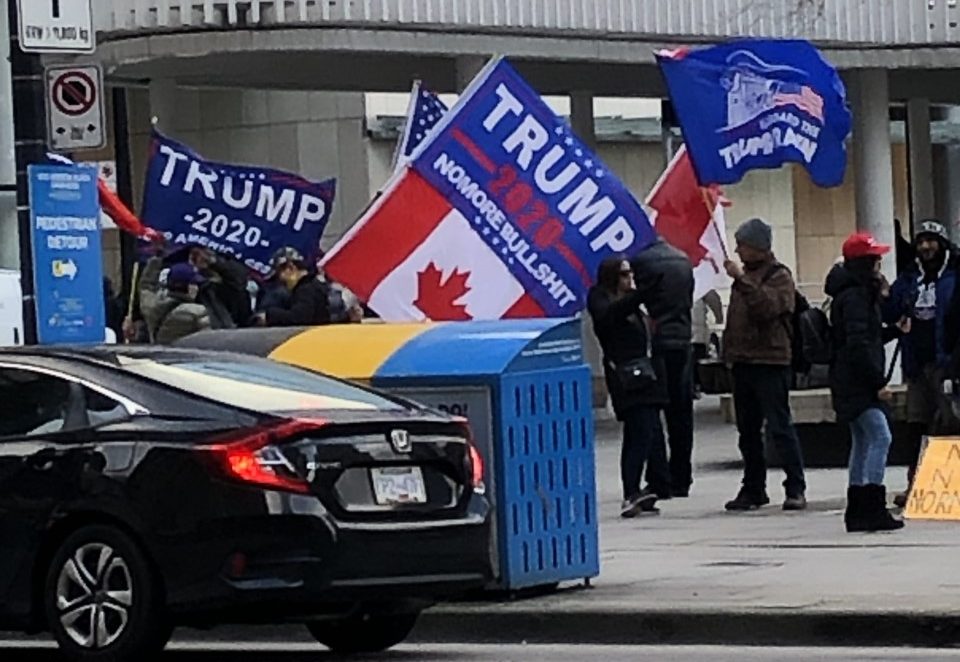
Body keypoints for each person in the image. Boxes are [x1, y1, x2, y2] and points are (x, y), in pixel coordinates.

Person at [722, 217, 808, 511]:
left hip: (770, 361)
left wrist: (741, 280)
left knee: (780, 426)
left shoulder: (778, 276)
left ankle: (795, 486)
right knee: (747, 431)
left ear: (758, 246)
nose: (738, 251)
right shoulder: (745, 279)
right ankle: (753, 487)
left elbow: (767, 308)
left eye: (742, 245)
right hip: (743, 362)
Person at [827, 232, 905, 532]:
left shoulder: (851, 294)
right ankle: (872, 505)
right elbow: (858, 345)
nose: (878, 266)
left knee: (862, 441)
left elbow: (865, 337)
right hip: (857, 382)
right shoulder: (856, 297)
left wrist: (894, 330)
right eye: (874, 261)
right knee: (880, 437)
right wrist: (877, 382)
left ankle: (857, 508)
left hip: (849, 380)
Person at [588, 256, 670, 517]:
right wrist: (640, 294)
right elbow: (610, 316)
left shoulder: (634, 304)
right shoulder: (601, 299)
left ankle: (654, 484)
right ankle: (630, 490)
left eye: (630, 274)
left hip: (646, 373)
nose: (629, 279)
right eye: (624, 274)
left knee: (652, 432)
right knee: (638, 432)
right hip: (625, 375)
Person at [884, 220, 959, 506]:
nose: (926, 247)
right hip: (917, 364)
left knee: (951, 423)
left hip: (947, 363)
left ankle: (951, 483)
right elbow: (890, 311)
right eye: (921, 242)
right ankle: (915, 483)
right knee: (916, 425)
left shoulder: (954, 275)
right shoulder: (909, 277)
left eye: (932, 241)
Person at [631, 237, 695, 498]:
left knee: (652, 409)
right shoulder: (682, 259)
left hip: (656, 342)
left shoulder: (641, 262)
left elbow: (637, 299)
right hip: (682, 338)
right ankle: (682, 476)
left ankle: (660, 479)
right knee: (681, 413)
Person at [254, 247, 331, 327]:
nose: (280, 280)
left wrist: (270, 316)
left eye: (279, 274)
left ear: (291, 268)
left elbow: (299, 318)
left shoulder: (306, 290)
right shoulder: (313, 286)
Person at [150, 263, 212, 344]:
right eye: (194, 284)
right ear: (184, 286)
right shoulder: (198, 312)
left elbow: (145, 286)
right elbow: (208, 341)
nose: (197, 288)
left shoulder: (154, 306)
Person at [692, 290, 724, 398]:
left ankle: (692, 387)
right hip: (697, 335)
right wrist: (719, 319)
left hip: (683, 333)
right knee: (696, 362)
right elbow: (714, 300)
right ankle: (696, 386)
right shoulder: (701, 285)